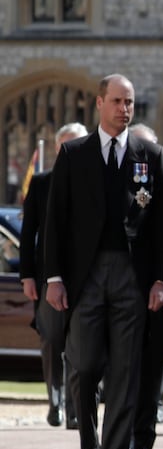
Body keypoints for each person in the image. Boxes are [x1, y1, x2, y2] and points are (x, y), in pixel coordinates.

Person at [43, 75, 163, 449]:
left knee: (126, 372)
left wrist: (160, 279)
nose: (124, 109)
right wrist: (54, 277)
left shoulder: (150, 155)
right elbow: (56, 221)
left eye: (129, 102)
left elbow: (162, 226)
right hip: (86, 276)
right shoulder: (74, 153)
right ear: (99, 103)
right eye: (116, 101)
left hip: (132, 278)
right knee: (84, 366)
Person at [20, 122, 88, 429]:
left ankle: (75, 408)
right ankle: (55, 402)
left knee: (79, 344)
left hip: (84, 279)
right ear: (58, 149)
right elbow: (28, 233)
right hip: (48, 277)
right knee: (51, 341)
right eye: (67, 146)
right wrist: (27, 276)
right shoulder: (42, 183)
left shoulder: (94, 182)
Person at [125, 122, 163, 449]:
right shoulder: (117, 193)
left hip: (158, 298)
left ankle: (142, 441)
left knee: (151, 372)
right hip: (121, 292)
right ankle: (118, 440)